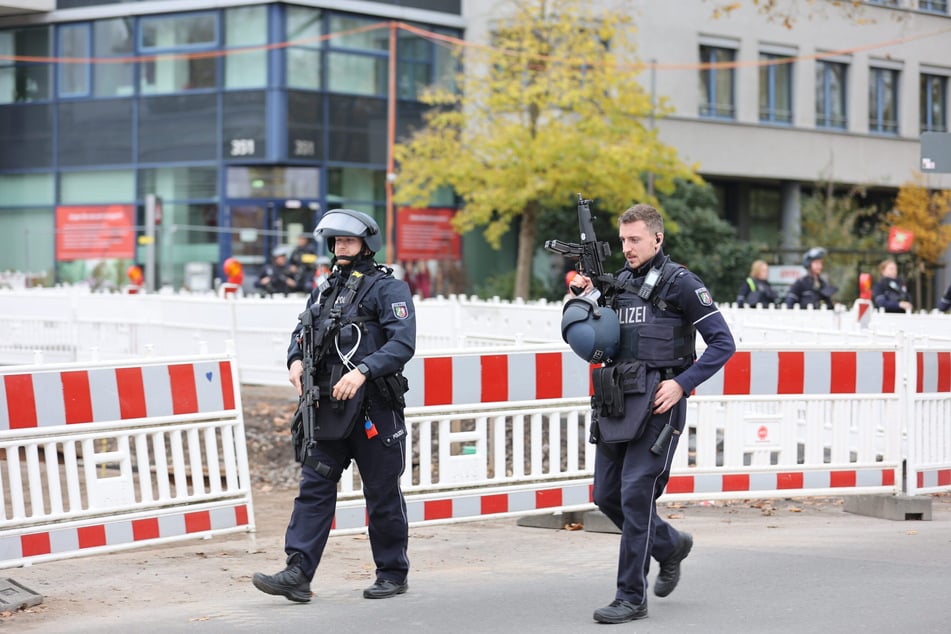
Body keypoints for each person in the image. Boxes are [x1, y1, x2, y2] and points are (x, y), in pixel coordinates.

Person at [566, 204, 735, 624]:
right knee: (606, 496)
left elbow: (722, 343)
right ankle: (670, 545)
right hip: (617, 400)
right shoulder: (618, 283)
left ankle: (630, 597)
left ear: (657, 238)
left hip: (660, 404)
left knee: (636, 495)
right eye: (623, 240)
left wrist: (682, 384)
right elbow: (598, 331)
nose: (628, 248)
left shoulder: (682, 283)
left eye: (635, 239)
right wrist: (583, 295)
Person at [252, 209, 416, 603]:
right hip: (328, 409)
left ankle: (392, 572)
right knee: (314, 488)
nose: (341, 247)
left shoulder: (387, 290)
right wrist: (294, 360)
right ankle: (298, 572)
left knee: (381, 493)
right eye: (337, 241)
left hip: (373, 408)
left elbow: (401, 344)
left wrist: (362, 371)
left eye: (348, 241)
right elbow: (303, 332)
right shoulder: (325, 289)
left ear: (366, 245)